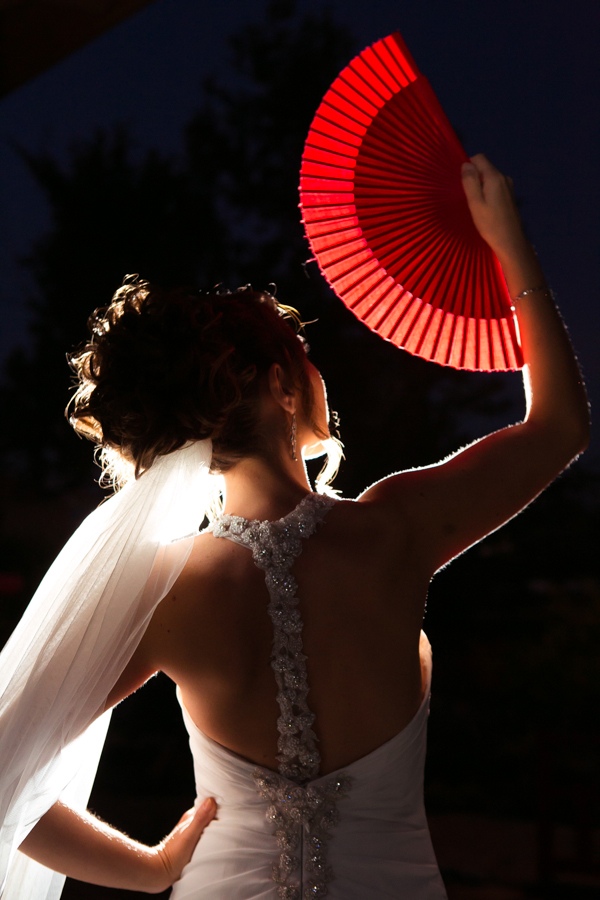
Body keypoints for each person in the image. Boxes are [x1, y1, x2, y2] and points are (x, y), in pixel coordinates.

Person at [2, 154, 589, 899]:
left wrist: (149, 870)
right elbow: (560, 428)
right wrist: (510, 245)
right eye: (304, 358)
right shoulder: (395, 529)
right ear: (280, 385)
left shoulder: (163, 588)